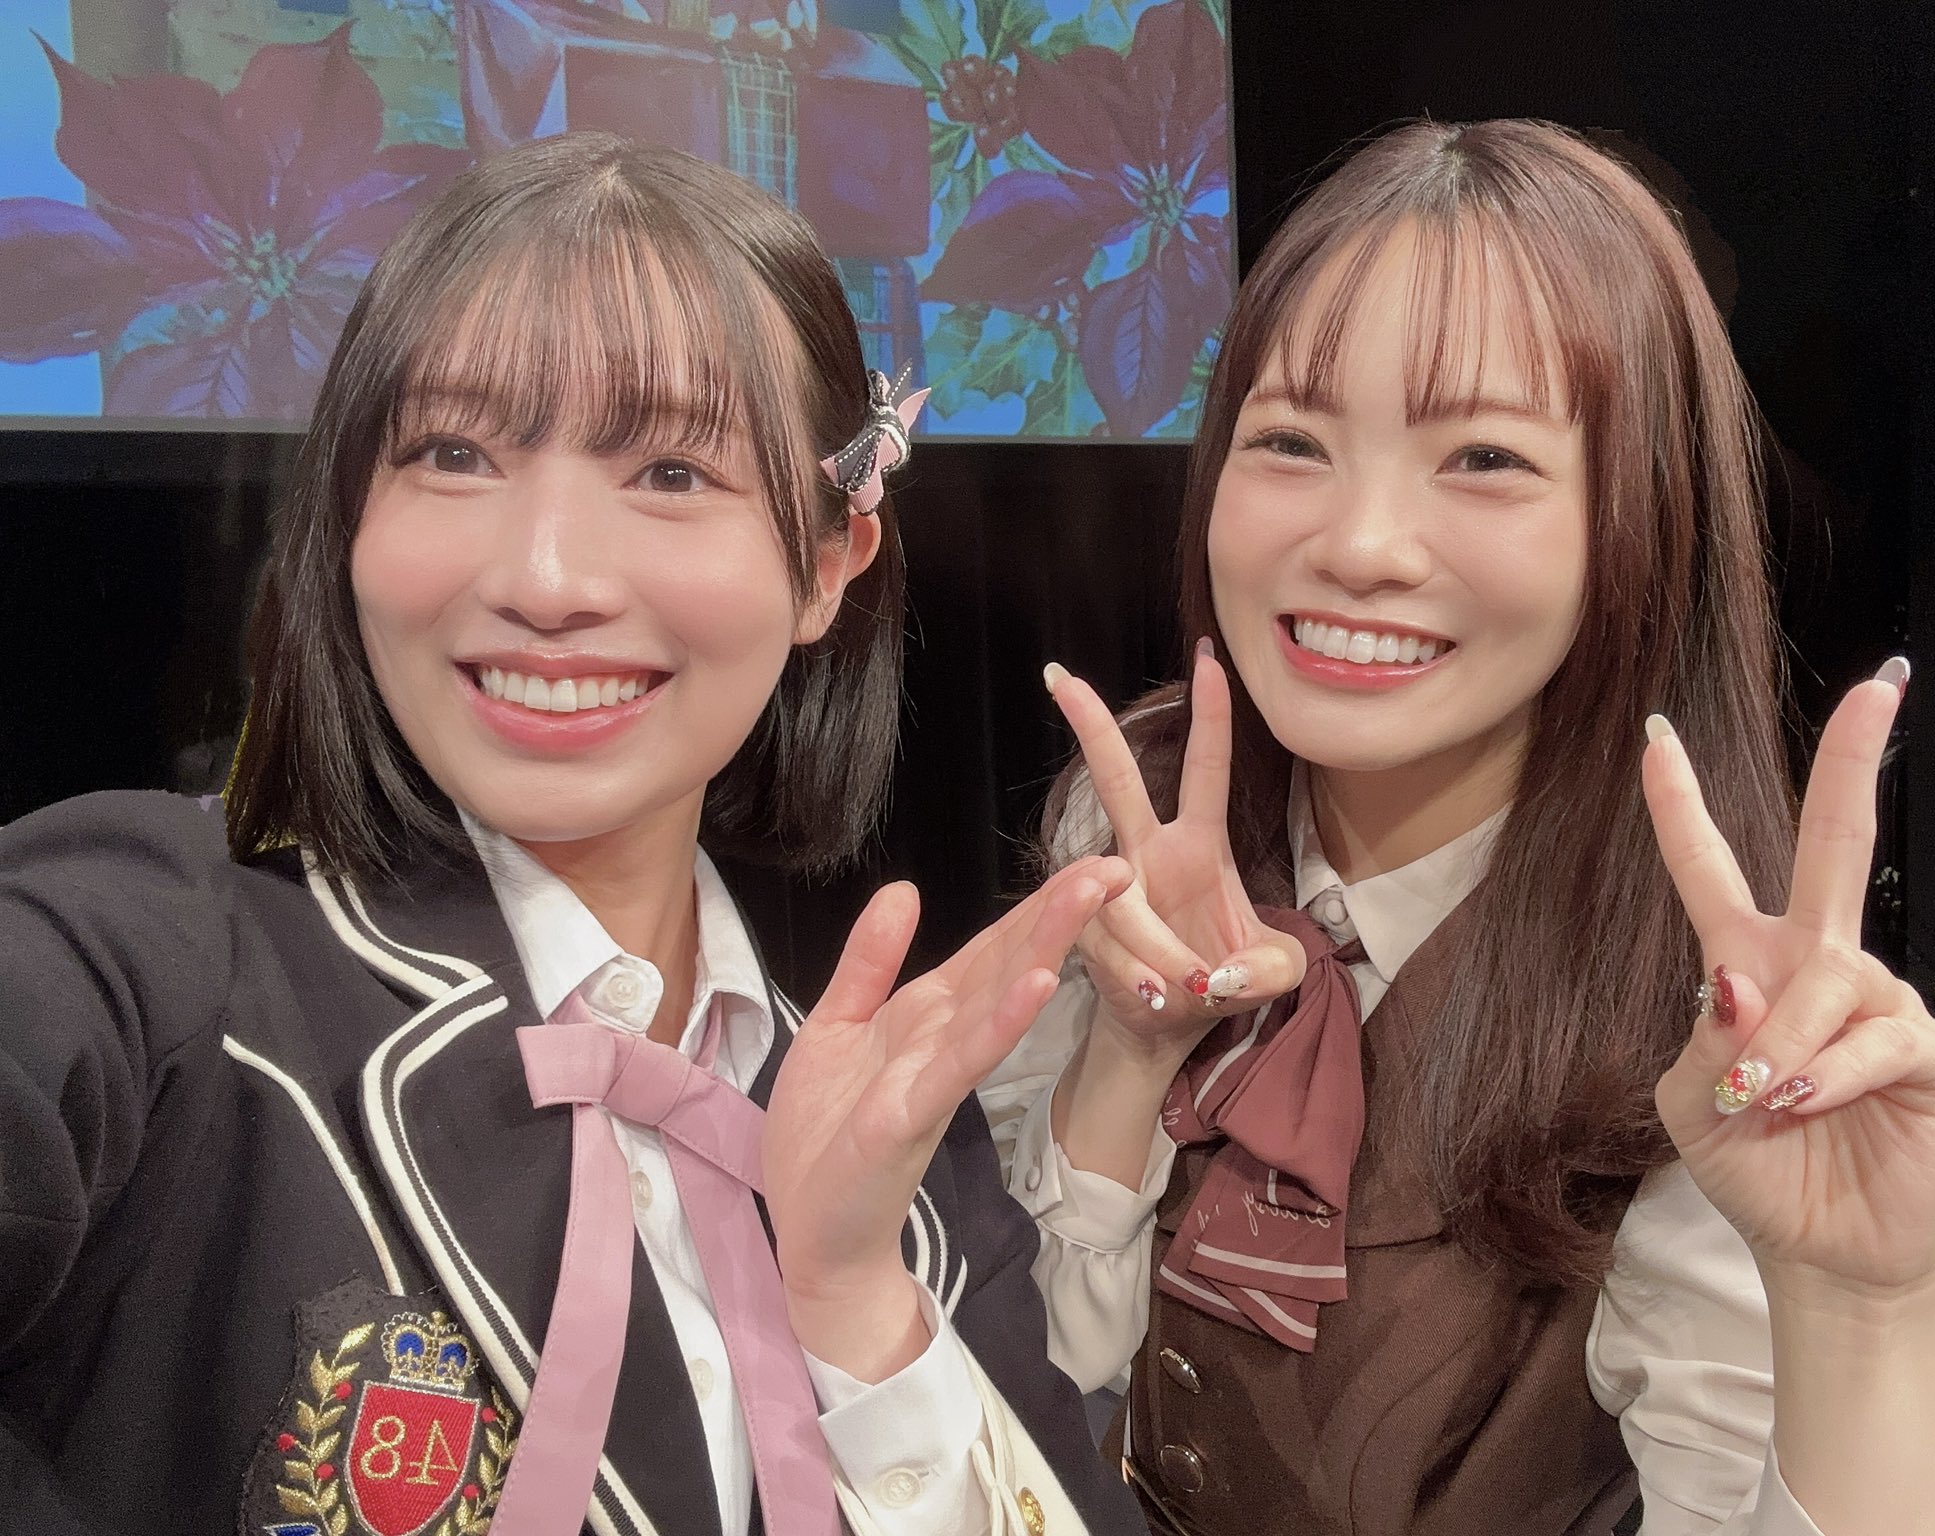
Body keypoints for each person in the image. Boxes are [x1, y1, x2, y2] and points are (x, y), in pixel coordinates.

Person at [0, 134, 1145, 1536]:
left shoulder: (907, 1145)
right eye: (453, 453)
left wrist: (855, 1308)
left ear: (827, 563)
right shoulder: (146, 957)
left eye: (671, 471)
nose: (546, 579)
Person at [980, 119, 1935, 1536]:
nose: (1359, 545)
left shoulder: (1708, 1023)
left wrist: (1863, 1315)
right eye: (1290, 441)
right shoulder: (1135, 817)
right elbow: (1023, 1386)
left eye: (1486, 459)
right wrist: (1125, 1064)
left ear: (1641, 520)